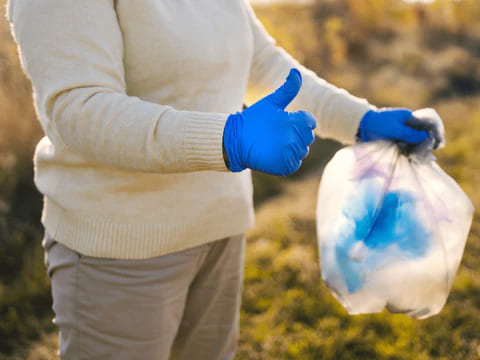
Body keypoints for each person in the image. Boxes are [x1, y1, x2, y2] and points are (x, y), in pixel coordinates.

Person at [6, 0, 444, 359]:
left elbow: (268, 67)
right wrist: (227, 139)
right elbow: (81, 111)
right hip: (121, 253)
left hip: (218, 229)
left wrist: (362, 121)